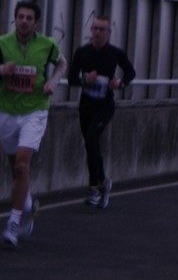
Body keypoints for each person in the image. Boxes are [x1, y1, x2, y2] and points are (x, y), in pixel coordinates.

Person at [0, 0, 67, 248]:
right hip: (6, 111)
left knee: (22, 164)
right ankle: (26, 204)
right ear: (15, 19)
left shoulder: (48, 45)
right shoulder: (1, 44)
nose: (24, 21)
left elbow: (62, 64)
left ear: (36, 22)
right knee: (14, 166)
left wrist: (53, 83)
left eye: (29, 18)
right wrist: (1, 70)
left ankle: (13, 223)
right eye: (20, 17)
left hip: (35, 110)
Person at [67, 14, 136, 209]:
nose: (97, 33)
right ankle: (103, 183)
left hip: (105, 105)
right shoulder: (82, 52)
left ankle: (93, 188)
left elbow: (131, 72)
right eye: (95, 29)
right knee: (90, 145)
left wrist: (120, 83)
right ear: (91, 30)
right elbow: (71, 79)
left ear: (108, 32)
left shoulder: (115, 53)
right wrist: (84, 80)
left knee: (91, 140)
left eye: (101, 29)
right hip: (86, 104)